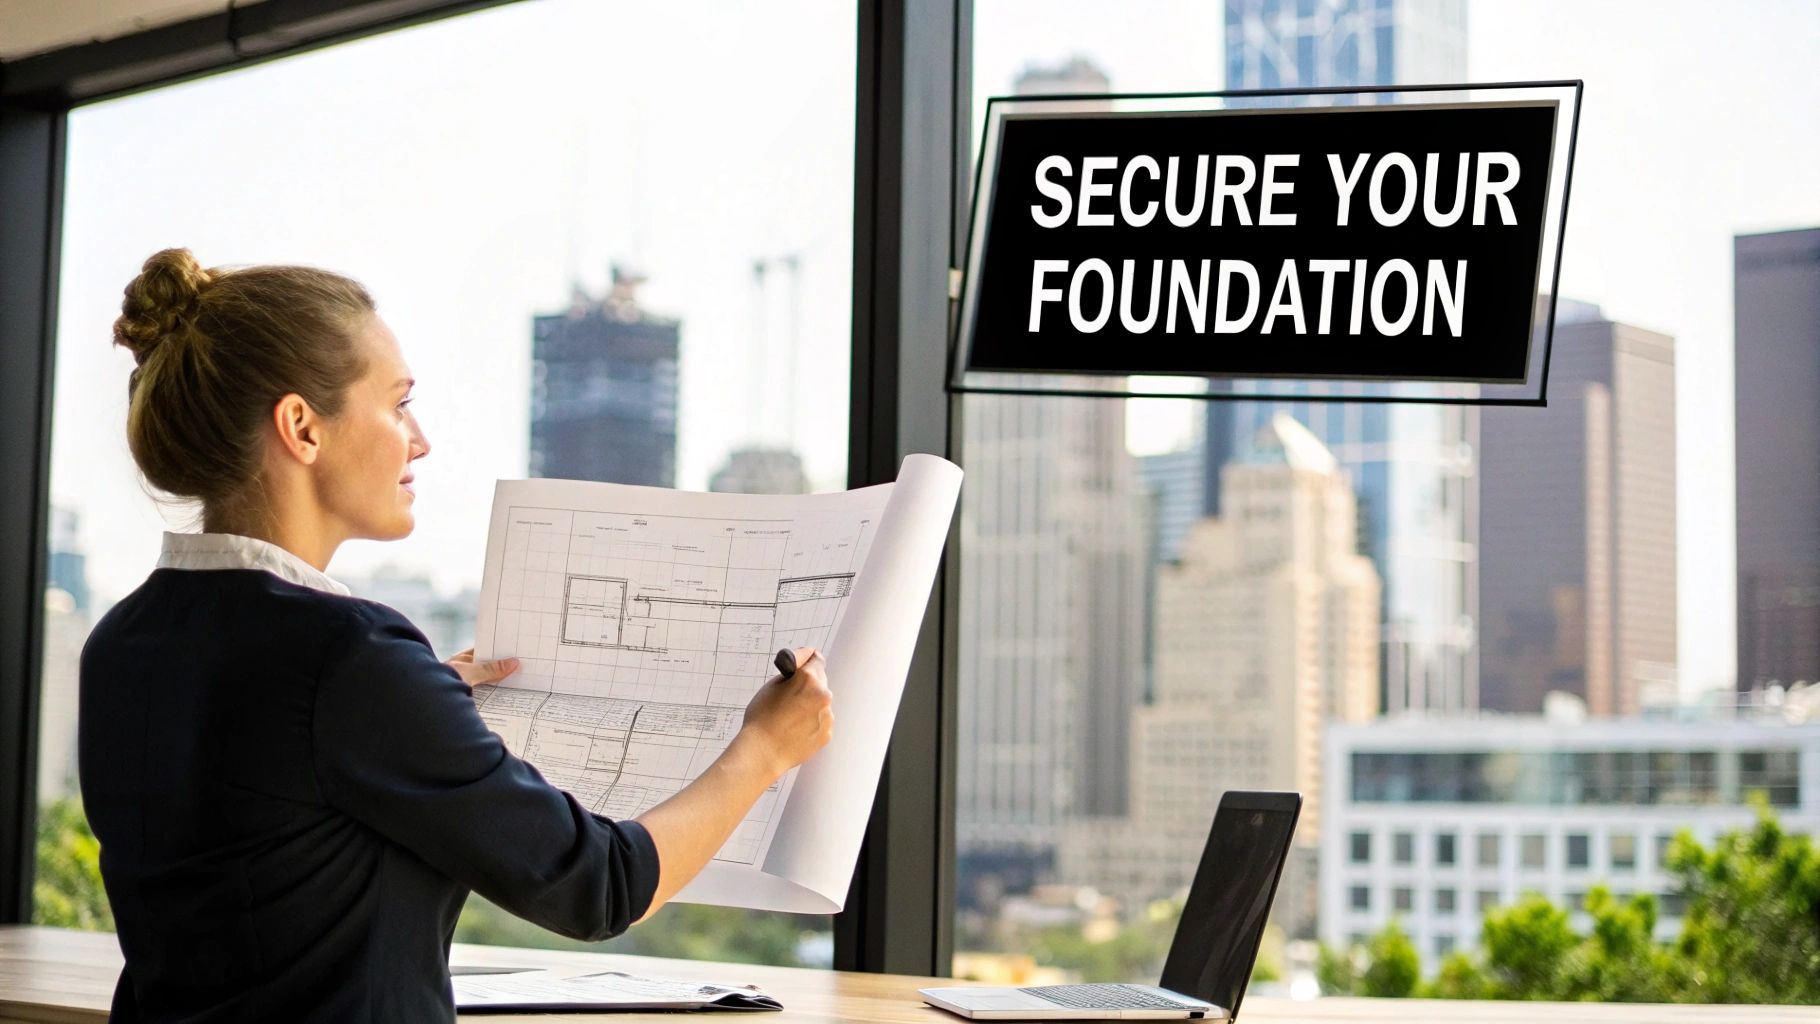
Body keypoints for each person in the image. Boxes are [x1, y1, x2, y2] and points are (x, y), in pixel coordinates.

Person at [76, 248, 835, 1023]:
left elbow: (264, 834)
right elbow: (599, 885)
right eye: (398, 402)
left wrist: (411, 701)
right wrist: (764, 749)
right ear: (301, 426)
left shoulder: (122, 641)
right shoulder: (348, 661)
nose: (420, 438)